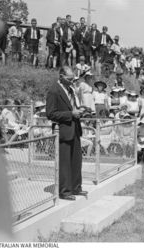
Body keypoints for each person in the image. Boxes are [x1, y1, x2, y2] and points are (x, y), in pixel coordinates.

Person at [46, 66, 87, 201]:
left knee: (76, 160)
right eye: (69, 79)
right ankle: (64, 191)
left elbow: (72, 106)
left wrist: (80, 110)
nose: (72, 81)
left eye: (73, 79)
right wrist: (71, 114)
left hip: (74, 128)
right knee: (64, 162)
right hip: (63, 130)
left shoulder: (71, 90)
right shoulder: (54, 91)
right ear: (61, 76)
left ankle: (76, 187)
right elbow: (50, 113)